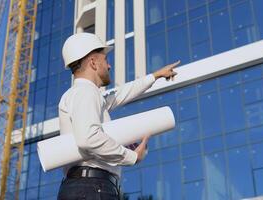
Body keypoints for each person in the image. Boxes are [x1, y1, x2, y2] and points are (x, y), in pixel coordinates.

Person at [57, 32, 179, 200]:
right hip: (92, 188)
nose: (109, 66)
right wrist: (132, 156)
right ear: (93, 62)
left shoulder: (83, 95)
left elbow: (120, 94)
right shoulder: (85, 93)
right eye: (105, 60)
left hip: (89, 187)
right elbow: (89, 138)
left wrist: (155, 76)